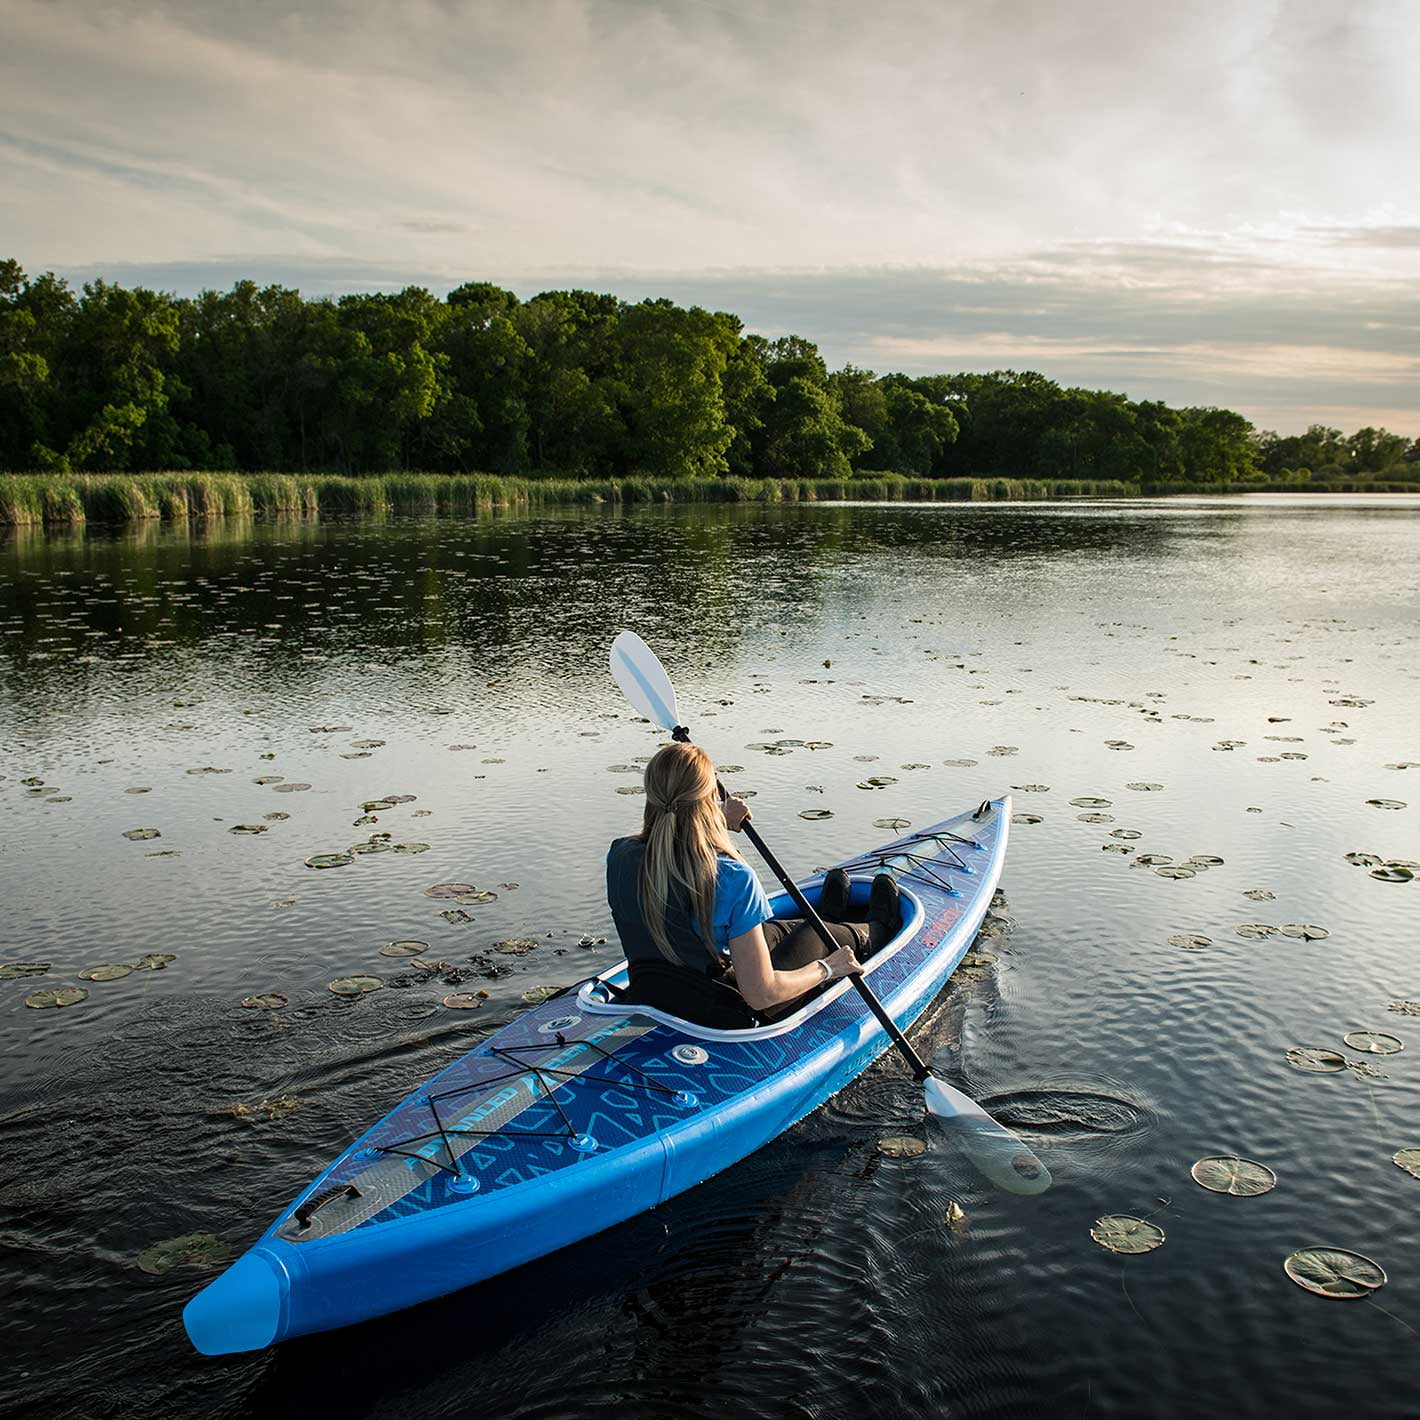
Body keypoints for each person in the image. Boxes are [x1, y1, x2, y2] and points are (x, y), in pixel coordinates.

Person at [606, 741, 901, 1029]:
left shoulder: (620, 854)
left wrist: (718, 819)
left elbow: (672, 833)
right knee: (817, 933)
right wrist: (828, 968)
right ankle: (875, 930)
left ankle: (831, 916)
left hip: (658, 991)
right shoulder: (733, 878)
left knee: (773, 929)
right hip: (726, 1008)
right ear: (708, 799)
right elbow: (761, 995)